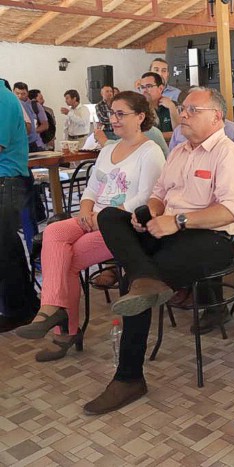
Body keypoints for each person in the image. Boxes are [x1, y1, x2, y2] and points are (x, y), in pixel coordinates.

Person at [84, 88, 234, 415]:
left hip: (212, 239)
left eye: (192, 109)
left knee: (141, 276)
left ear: (216, 117)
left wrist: (179, 220)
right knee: (110, 217)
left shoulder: (228, 154)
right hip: (170, 229)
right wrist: (149, 213)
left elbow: (233, 211)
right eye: (183, 109)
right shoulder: (179, 152)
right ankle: (145, 279)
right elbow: (159, 194)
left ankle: (129, 377)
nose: (183, 114)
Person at [14, 92, 165, 361]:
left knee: (66, 260)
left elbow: (147, 197)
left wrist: (104, 217)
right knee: (54, 232)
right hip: (91, 217)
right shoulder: (108, 149)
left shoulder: (150, 151)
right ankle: (51, 307)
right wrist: (85, 209)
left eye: (121, 114)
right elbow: (92, 187)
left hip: (120, 225)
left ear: (140, 117)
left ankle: (64, 329)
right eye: (111, 113)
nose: (114, 120)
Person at [0, 78, 38, 332]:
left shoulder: (2, 99)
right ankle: (26, 305)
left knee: (5, 250)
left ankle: (18, 310)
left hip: (7, 180)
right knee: (7, 248)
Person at [138, 72, 179, 142]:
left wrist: (172, 108)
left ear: (160, 88)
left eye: (149, 86)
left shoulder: (171, 105)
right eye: (142, 87)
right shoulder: (138, 109)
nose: (144, 90)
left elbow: (180, 135)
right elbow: (142, 136)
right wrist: (171, 135)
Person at [13, 82, 47, 152]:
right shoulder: (12, 106)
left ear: (27, 93)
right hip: (18, 145)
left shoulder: (35, 106)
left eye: (23, 94)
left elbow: (45, 125)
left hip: (35, 144)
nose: (20, 96)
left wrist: (32, 131)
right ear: (13, 92)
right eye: (17, 93)